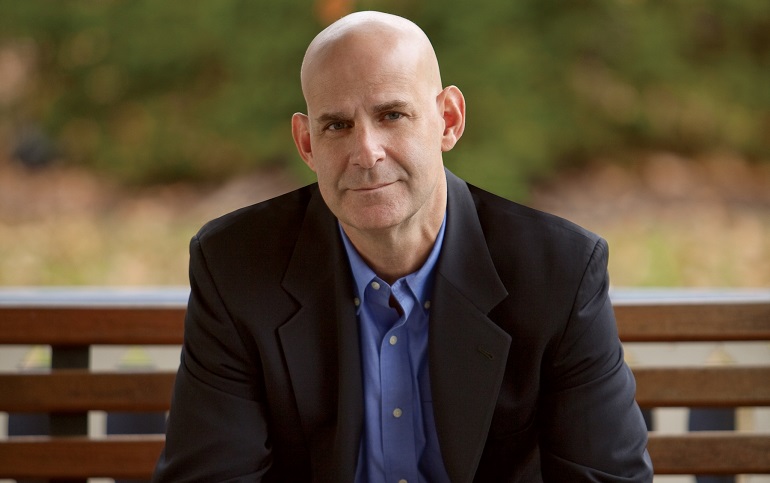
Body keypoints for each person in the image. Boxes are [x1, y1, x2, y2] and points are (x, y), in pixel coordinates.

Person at [153, 10, 653, 483]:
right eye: (337, 125)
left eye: (392, 115)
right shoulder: (236, 267)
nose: (366, 152)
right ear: (306, 144)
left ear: (448, 120)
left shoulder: (558, 273)